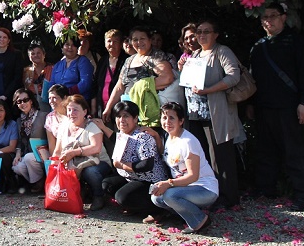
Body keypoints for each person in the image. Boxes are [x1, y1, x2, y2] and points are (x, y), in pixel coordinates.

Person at [249, 3, 304, 211]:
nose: (268, 20)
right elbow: (253, 79)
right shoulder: (258, 46)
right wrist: (251, 104)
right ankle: (266, 189)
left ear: (284, 17)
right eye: (265, 17)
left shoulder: (296, 42)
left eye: (273, 16)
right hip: (264, 107)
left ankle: (303, 196)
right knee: (265, 151)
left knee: (294, 152)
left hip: (289, 107)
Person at [184, 19, 242, 208]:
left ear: (215, 34)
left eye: (206, 32)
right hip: (195, 114)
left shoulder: (222, 51)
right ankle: (209, 195)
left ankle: (228, 198)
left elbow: (234, 76)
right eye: (199, 31)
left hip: (216, 113)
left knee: (221, 157)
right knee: (204, 157)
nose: (201, 35)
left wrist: (210, 89)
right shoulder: (196, 54)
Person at [150, 102, 218, 233]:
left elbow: (193, 176)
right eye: (164, 118)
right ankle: (187, 214)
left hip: (204, 189)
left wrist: (169, 183)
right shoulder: (169, 137)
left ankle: (200, 220)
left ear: (181, 121)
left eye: (172, 118)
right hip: (185, 187)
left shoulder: (187, 142)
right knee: (156, 197)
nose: (167, 122)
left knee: (169, 195)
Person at [102, 26, 175, 132]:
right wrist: (108, 107)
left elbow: (167, 78)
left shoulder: (156, 56)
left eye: (142, 39)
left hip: (147, 113)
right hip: (128, 112)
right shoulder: (129, 60)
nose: (139, 42)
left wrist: (142, 86)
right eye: (135, 39)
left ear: (150, 40)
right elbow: (119, 86)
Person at [102, 101, 168, 217]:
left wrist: (122, 165)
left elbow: (146, 165)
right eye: (118, 116)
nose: (121, 120)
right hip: (131, 177)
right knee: (107, 184)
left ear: (135, 118)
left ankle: (157, 210)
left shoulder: (143, 136)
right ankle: (136, 207)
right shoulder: (122, 134)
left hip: (149, 181)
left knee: (122, 197)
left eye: (126, 116)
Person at [52, 95, 112, 210]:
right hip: (74, 164)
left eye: (75, 110)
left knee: (90, 171)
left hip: (97, 162)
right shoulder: (64, 127)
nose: (71, 113)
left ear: (84, 111)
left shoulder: (92, 126)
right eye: (69, 110)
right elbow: (58, 150)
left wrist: (74, 152)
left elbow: (96, 148)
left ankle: (98, 196)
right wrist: (54, 165)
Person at [12, 89, 48, 193]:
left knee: (28, 158)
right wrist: (18, 154)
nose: (23, 103)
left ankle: (39, 182)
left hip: (43, 153)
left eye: (25, 100)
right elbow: (19, 140)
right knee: (17, 167)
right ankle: (37, 181)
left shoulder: (43, 116)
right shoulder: (19, 120)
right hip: (28, 155)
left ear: (31, 101)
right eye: (19, 101)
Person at [92, 29, 128, 117]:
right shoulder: (102, 61)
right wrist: (94, 108)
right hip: (101, 107)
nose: (111, 44)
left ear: (121, 44)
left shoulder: (126, 60)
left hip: (120, 107)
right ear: (105, 43)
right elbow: (96, 85)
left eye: (115, 41)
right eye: (109, 41)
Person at [49, 37, 93, 101]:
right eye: (67, 44)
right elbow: (52, 83)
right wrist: (55, 95)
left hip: (77, 103)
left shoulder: (83, 61)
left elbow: (85, 83)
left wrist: (67, 93)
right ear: (62, 47)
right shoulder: (57, 65)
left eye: (73, 45)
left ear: (77, 47)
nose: (70, 47)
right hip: (59, 103)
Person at [22, 42, 53, 113]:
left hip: (50, 102)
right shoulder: (26, 71)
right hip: (32, 104)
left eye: (38, 53)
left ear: (44, 54)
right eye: (32, 54)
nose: (36, 55)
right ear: (29, 57)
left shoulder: (52, 69)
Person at [44, 84, 70, 154]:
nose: (51, 101)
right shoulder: (50, 118)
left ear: (65, 98)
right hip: (59, 153)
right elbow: (52, 145)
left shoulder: (73, 114)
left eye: (54, 97)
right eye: (49, 98)